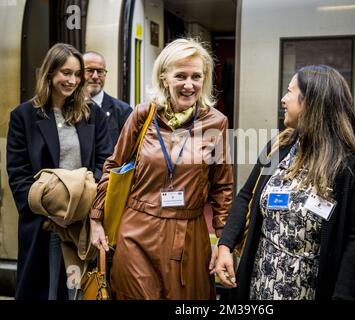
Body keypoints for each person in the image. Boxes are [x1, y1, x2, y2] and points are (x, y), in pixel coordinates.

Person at [212, 65, 355, 300]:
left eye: (290, 92)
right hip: (258, 287)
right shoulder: (278, 147)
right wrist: (225, 246)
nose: (283, 99)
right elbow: (246, 197)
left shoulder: (354, 172)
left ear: (311, 102)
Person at [89, 38, 233, 299]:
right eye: (180, 76)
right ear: (164, 78)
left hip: (189, 235)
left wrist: (225, 244)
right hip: (137, 230)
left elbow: (223, 188)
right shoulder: (143, 115)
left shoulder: (217, 123)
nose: (189, 85)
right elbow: (114, 166)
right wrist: (96, 218)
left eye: (196, 77)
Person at [6, 43, 113, 300]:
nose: (73, 80)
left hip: (81, 222)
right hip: (42, 224)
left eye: (78, 74)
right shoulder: (24, 116)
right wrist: (50, 212)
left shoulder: (92, 114)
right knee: (43, 289)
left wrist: (84, 204)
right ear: (50, 73)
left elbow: (105, 162)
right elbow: (18, 173)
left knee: (77, 290)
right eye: (66, 73)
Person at [83, 51, 132, 146]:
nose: (95, 76)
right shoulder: (67, 108)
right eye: (89, 70)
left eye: (100, 71)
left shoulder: (123, 111)